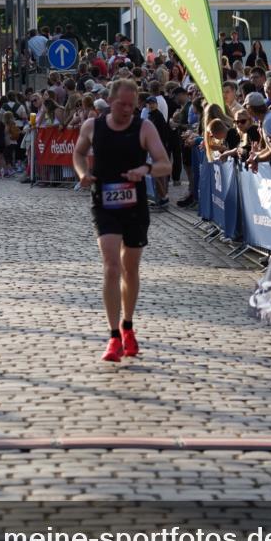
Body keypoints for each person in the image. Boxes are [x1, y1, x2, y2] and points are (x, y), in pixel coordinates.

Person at [73, 78, 171, 363]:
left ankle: (128, 325)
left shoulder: (145, 127)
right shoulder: (93, 126)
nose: (127, 110)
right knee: (111, 266)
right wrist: (82, 173)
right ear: (110, 102)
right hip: (104, 202)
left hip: (135, 205)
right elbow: (79, 153)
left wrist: (146, 168)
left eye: (132, 105)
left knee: (130, 269)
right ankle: (113, 335)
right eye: (122, 104)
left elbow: (166, 163)